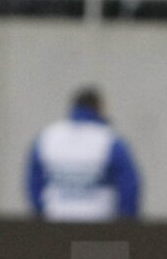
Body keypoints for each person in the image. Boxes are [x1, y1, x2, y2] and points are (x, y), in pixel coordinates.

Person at [25, 86, 141, 222]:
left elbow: (34, 182)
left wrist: (40, 212)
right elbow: (128, 186)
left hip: (56, 222)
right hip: (98, 226)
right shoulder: (109, 140)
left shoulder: (47, 138)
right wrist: (125, 223)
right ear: (99, 107)